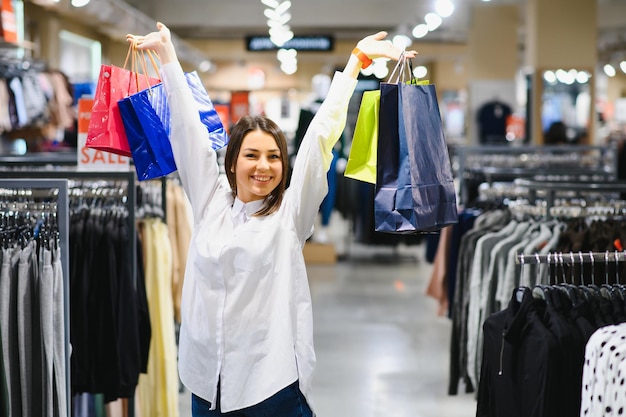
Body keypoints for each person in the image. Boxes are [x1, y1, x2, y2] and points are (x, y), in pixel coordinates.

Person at [127, 22, 416, 417]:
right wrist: (168, 57)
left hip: (269, 387)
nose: (263, 166)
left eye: (274, 156)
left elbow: (318, 140)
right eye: (251, 155)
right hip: (206, 384)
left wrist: (355, 64)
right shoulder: (210, 201)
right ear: (231, 164)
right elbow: (187, 133)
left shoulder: (289, 215)